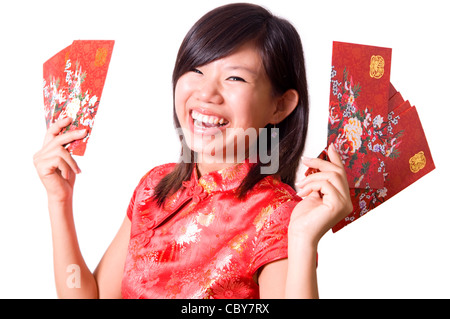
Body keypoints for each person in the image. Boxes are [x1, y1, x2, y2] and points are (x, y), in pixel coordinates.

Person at [33, 3, 352, 299]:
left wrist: (302, 240)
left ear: (279, 106)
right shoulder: (154, 187)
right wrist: (59, 200)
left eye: (235, 77)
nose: (206, 93)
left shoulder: (280, 215)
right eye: (196, 70)